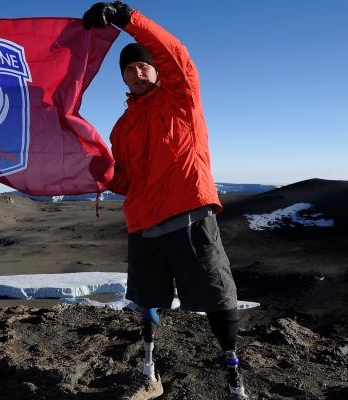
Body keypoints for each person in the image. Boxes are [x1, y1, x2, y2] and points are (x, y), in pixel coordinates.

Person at [82, 2, 248, 400]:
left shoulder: (181, 95)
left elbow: (177, 53)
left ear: (156, 69)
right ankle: (150, 374)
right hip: (144, 225)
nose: (136, 72)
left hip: (189, 215)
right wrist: (104, 173)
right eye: (128, 69)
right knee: (145, 301)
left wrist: (127, 18)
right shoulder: (121, 127)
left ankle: (234, 382)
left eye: (142, 66)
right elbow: (128, 181)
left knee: (217, 297)